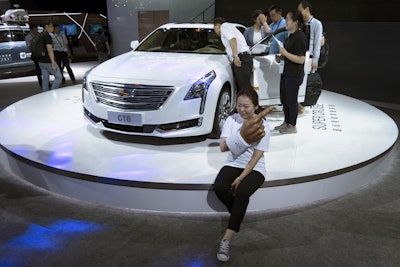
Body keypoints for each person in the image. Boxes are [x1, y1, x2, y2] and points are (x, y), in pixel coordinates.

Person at [214, 89, 274, 262]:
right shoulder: (231, 120)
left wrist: (241, 178)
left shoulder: (264, 126)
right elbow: (223, 147)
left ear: (255, 106)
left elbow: (257, 157)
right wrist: (242, 135)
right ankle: (237, 216)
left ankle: (226, 239)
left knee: (241, 193)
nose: (242, 109)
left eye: (246, 106)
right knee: (219, 187)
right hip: (233, 163)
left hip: (255, 169)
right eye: (239, 105)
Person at [275, 10, 308, 134]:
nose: (286, 22)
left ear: (295, 22)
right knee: (284, 99)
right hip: (286, 72)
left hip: (294, 74)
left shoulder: (300, 37)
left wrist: (285, 53)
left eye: (288, 19)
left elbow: (301, 59)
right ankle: (286, 122)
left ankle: (292, 125)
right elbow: (290, 55)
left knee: (291, 100)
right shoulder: (291, 35)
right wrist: (282, 57)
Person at [214, 17, 253, 92]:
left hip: (241, 58)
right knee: (244, 86)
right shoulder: (231, 27)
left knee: (244, 88)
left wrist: (235, 56)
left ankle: (250, 103)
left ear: (217, 25)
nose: (215, 31)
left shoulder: (224, 26)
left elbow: (232, 39)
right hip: (245, 57)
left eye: (214, 28)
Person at [298, 1, 323, 71]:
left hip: (310, 57)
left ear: (307, 10)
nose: (299, 14)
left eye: (300, 11)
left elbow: (317, 42)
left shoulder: (317, 24)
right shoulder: (299, 24)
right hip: (299, 55)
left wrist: (315, 60)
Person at [37, 20, 62, 92]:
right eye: (51, 26)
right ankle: (52, 92)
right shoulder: (47, 36)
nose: (53, 28)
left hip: (41, 61)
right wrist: (53, 62)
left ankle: (45, 93)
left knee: (45, 78)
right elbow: (49, 50)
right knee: (59, 77)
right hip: (48, 61)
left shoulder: (40, 35)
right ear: (46, 26)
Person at [25, 23, 42, 87]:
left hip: (41, 54)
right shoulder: (28, 37)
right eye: (35, 29)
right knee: (38, 70)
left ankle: (46, 82)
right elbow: (29, 47)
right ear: (31, 30)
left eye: (37, 29)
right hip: (35, 55)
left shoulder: (38, 35)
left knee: (43, 69)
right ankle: (41, 83)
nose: (36, 30)